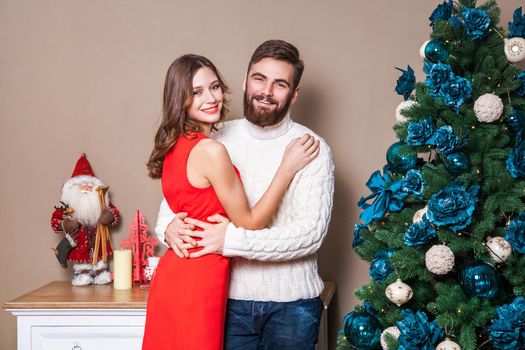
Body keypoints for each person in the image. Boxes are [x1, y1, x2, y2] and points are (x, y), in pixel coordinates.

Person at [156, 40, 335, 350]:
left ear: (293, 94)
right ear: (245, 80)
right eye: (259, 78)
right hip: (228, 302)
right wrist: (167, 228)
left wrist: (230, 241)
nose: (266, 91)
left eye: (279, 84)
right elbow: (176, 203)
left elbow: (310, 235)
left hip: (291, 307)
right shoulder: (216, 135)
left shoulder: (311, 148)